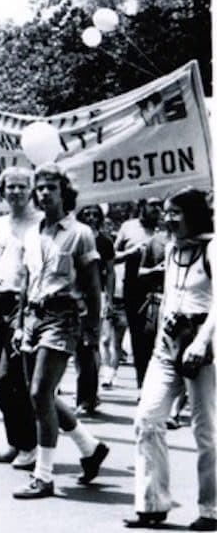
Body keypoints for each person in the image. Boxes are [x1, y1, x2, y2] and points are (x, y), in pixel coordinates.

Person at [12, 164, 109, 499]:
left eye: (50, 187)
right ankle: (90, 447)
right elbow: (28, 280)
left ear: (63, 191)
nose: (43, 193)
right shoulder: (32, 232)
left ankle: (44, 475)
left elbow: (93, 285)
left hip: (63, 317)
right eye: (39, 188)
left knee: (40, 393)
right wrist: (19, 319)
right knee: (42, 396)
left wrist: (93, 329)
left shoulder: (80, 232)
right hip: (32, 317)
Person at [124, 188, 215, 531]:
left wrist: (203, 340)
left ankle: (211, 509)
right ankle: (152, 503)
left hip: (202, 349)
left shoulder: (211, 247)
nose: (168, 218)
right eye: (165, 212)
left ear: (192, 214)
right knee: (147, 417)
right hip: (168, 346)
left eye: (175, 212)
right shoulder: (174, 248)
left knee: (206, 430)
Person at [0, 167, 40, 470]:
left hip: (27, 305)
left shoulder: (41, 224)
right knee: (0, 382)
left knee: (14, 378)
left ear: (30, 190)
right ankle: (15, 442)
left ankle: (30, 445)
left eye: (21, 187)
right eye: (10, 187)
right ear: (2, 190)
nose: (16, 192)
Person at [115, 198, 164, 386]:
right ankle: (143, 383)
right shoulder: (128, 227)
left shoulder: (166, 227)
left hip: (160, 288)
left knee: (159, 337)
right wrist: (131, 252)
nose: (156, 209)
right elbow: (113, 257)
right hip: (134, 289)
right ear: (142, 206)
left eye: (159, 205)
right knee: (139, 337)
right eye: (153, 205)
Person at [75, 204, 115, 415]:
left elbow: (110, 272)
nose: (91, 217)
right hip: (72, 296)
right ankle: (86, 392)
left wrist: (108, 299)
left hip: (95, 298)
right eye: (87, 214)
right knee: (77, 349)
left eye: (95, 214)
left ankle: (87, 398)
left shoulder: (105, 241)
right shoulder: (74, 237)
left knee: (90, 346)